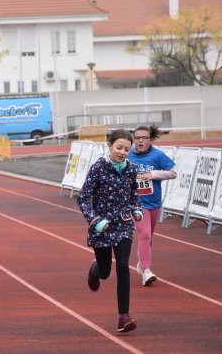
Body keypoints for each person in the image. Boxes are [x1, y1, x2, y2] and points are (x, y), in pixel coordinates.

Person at [77, 129, 143, 333]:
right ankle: (95, 269)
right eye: (119, 148)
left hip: (123, 225)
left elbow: (135, 193)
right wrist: (95, 221)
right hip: (102, 227)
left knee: (123, 267)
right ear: (109, 146)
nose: (123, 152)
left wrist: (137, 209)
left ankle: (124, 316)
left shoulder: (133, 169)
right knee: (105, 272)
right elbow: (83, 198)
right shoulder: (98, 168)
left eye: (127, 149)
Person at [128, 125, 177, 286]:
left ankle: (142, 262)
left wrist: (154, 174)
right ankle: (146, 270)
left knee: (149, 237)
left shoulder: (158, 155)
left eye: (144, 138)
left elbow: (173, 173)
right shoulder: (127, 155)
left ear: (150, 140)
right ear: (133, 139)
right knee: (145, 235)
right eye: (137, 138)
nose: (140, 141)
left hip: (154, 202)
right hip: (136, 204)